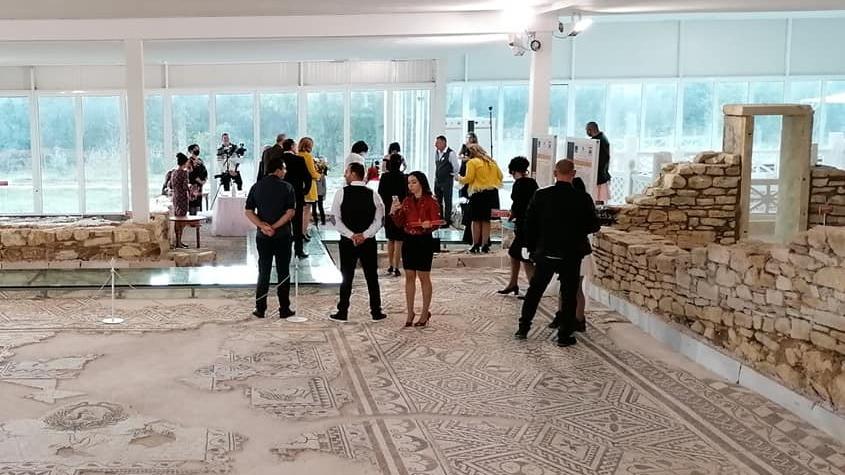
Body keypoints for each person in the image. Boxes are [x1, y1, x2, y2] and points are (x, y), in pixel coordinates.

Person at [515, 159, 600, 348]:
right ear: (573, 174)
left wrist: (531, 248)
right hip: (571, 253)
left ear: (555, 173)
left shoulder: (541, 195)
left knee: (535, 291)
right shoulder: (582, 198)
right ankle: (564, 335)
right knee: (569, 295)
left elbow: (530, 224)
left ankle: (523, 328)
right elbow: (593, 225)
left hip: (546, 252)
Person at [330, 162, 387, 323]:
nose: (345, 175)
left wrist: (351, 235)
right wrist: (365, 235)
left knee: (346, 276)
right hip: (368, 241)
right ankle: (376, 311)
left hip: (347, 242)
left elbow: (335, 218)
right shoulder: (373, 194)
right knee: (371, 276)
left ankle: (342, 311)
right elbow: (379, 220)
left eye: (347, 172)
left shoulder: (341, 193)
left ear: (354, 174)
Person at [244, 154, 297, 319]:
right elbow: (290, 212)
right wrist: (274, 227)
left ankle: (260, 308)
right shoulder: (287, 187)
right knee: (283, 271)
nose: (285, 172)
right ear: (278, 170)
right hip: (282, 235)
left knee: (264, 271)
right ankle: (284, 308)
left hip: (263, 237)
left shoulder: (256, 186)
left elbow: (248, 211)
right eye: (284, 169)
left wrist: (262, 226)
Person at [390, 171, 441, 327]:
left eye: (414, 182)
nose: (410, 185)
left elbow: (437, 221)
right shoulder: (407, 201)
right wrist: (394, 211)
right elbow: (400, 223)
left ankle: (425, 312)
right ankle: (410, 311)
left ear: (421, 183)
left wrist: (429, 225)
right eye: (409, 183)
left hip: (424, 241)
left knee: (424, 276)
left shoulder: (431, 201)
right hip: (409, 240)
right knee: (409, 276)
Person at [498, 156, 538, 296]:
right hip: (532, 224)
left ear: (513, 171)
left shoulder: (519, 184)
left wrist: (511, 215)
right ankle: (513, 283)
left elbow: (518, 205)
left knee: (525, 257)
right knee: (515, 253)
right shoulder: (532, 182)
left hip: (524, 226)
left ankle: (533, 290)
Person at [458, 143, 503, 254]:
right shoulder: (492, 162)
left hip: (478, 193)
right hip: (492, 193)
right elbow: (501, 176)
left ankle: (475, 244)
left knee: (476, 220)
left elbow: (468, 179)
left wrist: (458, 178)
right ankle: (485, 245)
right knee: (486, 220)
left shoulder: (472, 162)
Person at [280, 139, 312, 259]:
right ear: (292, 146)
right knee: (297, 223)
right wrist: (304, 191)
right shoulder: (299, 159)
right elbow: (307, 178)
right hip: (296, 195)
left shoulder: (278, 159)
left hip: (281, 196)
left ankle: (282, 249)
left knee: (282, 223)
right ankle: (299, 250)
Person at [378, 153, 407, 277]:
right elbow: (406, 194)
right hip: (400, 210)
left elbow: (380, 193)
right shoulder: (404, 177)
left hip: (388, 210)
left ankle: (390, 265)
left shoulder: (384, 177)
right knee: (399, 240)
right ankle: (396, 266)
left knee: (390, 239)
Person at [433, 135, 460, 229]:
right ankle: (439, 219)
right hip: (438, 181)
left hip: (447, 181)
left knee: (447, 201)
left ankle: (447, 221)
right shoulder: (437, 153)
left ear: (444, 143)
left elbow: (456, 167)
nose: (436, 145)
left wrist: (453, 175)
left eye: (438, 143)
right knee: (438, 201)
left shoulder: (451, 153)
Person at [298, 137, 321, 240]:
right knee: (307, 211)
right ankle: (303, 232)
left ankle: (298, 232)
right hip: (309, 187)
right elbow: (312, 173)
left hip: (299, 186)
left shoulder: (297, 155)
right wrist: (319, 175)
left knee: (299, 211)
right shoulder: (308, 156)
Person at [458, 132, 478, 244]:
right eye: (467, 138)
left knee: (469, 206)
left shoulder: (475, 150)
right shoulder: (464, 147)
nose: (469, 140)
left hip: (470, 178)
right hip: (463, 175)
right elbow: (459, 155)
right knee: (463, 202)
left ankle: (470, 233)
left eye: (470, 138)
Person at [586, 121, 611, 204]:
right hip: (602, 174)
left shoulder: (597, 141)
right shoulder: (603, 138)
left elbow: (602, 159)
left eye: (587, 130)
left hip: (599, 176)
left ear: (590, 130)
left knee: (598, 199)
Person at [170, 153, 191, 248]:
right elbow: (185, 186)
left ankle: (178, 241)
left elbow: (171, 185)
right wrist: (190, 189)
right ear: (185, 162)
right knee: (182, 220)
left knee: (177, 219)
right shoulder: (184, 173)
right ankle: (179, 242)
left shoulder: (174, 172)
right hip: (182, 198)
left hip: (175, 197)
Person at [187, 144, 208, 215]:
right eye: (195, 149)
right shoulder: (189, 161)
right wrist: (199, 180)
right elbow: (191, 174)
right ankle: (192, 219)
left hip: (200, 186)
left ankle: (198, 219)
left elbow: (205, 171)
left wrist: (204, 180)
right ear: (191, 151)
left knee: (199, 203)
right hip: (193, 186)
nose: (197, 150)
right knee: (193, 203)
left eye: (198, 149)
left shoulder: (200, 160)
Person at [312, 158, 328, 226]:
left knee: (320, 207)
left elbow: (324, 186)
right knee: (314, 208)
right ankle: (315, 221)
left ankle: (323, 221)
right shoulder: (313, 175)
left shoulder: (322, 175)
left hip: (319, 194)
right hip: (314, 193)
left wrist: (324, 194)